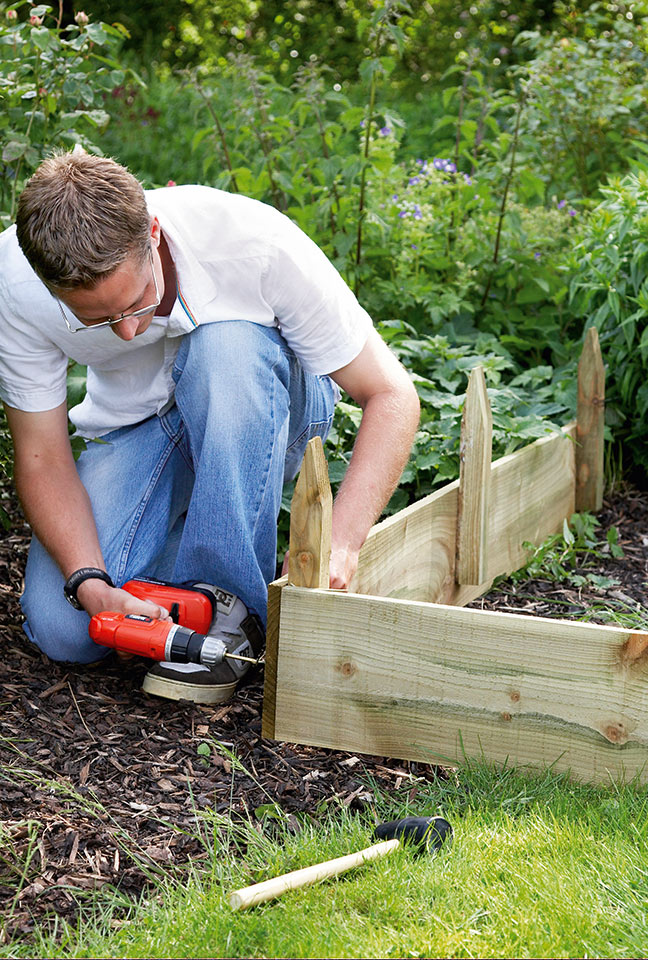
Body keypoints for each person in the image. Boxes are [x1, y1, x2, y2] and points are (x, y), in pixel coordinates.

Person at [0, 151, 420, 704]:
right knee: (66, 629)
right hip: (142, 424)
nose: (126, 333)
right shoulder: (16, 280)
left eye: (134, 302)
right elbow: (41, 459)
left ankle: (228, 603)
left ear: (151, 232)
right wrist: (91, 583)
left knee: (224, 343)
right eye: (97, 320)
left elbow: (392, 395)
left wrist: (341, 543)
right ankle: (216, 541)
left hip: (260, 400)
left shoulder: (254, 245)